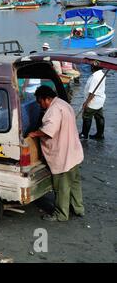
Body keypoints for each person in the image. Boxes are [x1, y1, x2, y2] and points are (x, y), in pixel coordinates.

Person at [28, 86, 84, 221]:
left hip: (63, 155)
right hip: (74, 152)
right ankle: (78, 208)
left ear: (47, 99)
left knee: (62, 187)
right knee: (75, 183)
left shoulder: (53, 110)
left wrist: (34, 133)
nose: (40, 105)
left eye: (40, 102)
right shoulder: (63, 103)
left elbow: (48, 131)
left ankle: (61, 214)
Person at [80, 66, 106, 140]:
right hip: (100, 100)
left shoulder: (95, 77)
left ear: (92, 68)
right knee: (99, 117)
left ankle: (84, 135)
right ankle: (100, 135)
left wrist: (86, 103)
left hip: (93, 101)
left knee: (87, 117)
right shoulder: (102, 74)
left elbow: (92, 93)